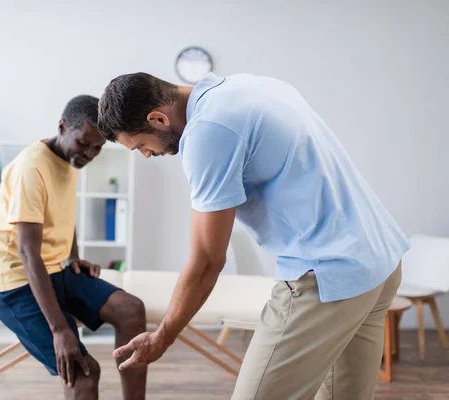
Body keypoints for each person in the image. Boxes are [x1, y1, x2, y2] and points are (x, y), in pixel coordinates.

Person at [97, 73, 410, 400]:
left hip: (329, 276)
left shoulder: (208, 132)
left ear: (158, 119)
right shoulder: (246, 86)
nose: (146, 155)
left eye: (140, 146)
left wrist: (162, 336)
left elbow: (206, 261)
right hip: (379, 260)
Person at [0, 95, 147, 400]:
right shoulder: (32, 168)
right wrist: (60, 331)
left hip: (53, 269)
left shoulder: (70, 157)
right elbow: (28, 253)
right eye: (85, 143)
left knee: (131, 310)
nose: (91, 153)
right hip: (13, 282)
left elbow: (63, 214)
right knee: (83, 371)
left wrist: (74, 257)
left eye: (98, 147)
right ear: (62, 127)